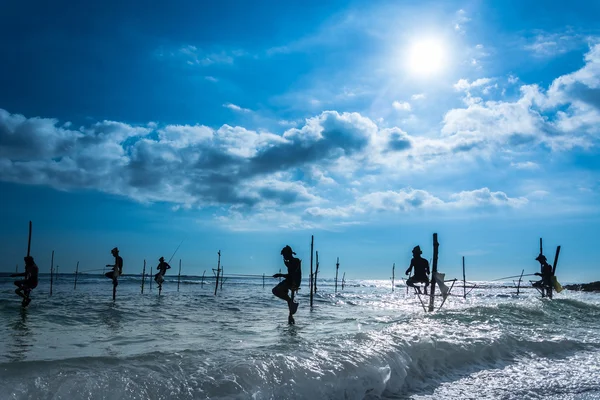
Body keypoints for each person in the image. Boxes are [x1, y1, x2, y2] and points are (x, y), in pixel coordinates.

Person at [272, 245, 302, 324]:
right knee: (275, 290)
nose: (284, 257)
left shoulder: (295, 261)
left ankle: (290, 302)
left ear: (289, 254)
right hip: (290, 281)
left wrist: (280, 275)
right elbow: (290, 275)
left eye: (285, 255)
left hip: (294, 282)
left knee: (275, 290)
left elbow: (292, 275)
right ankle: (290, 303)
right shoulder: (291, 262)